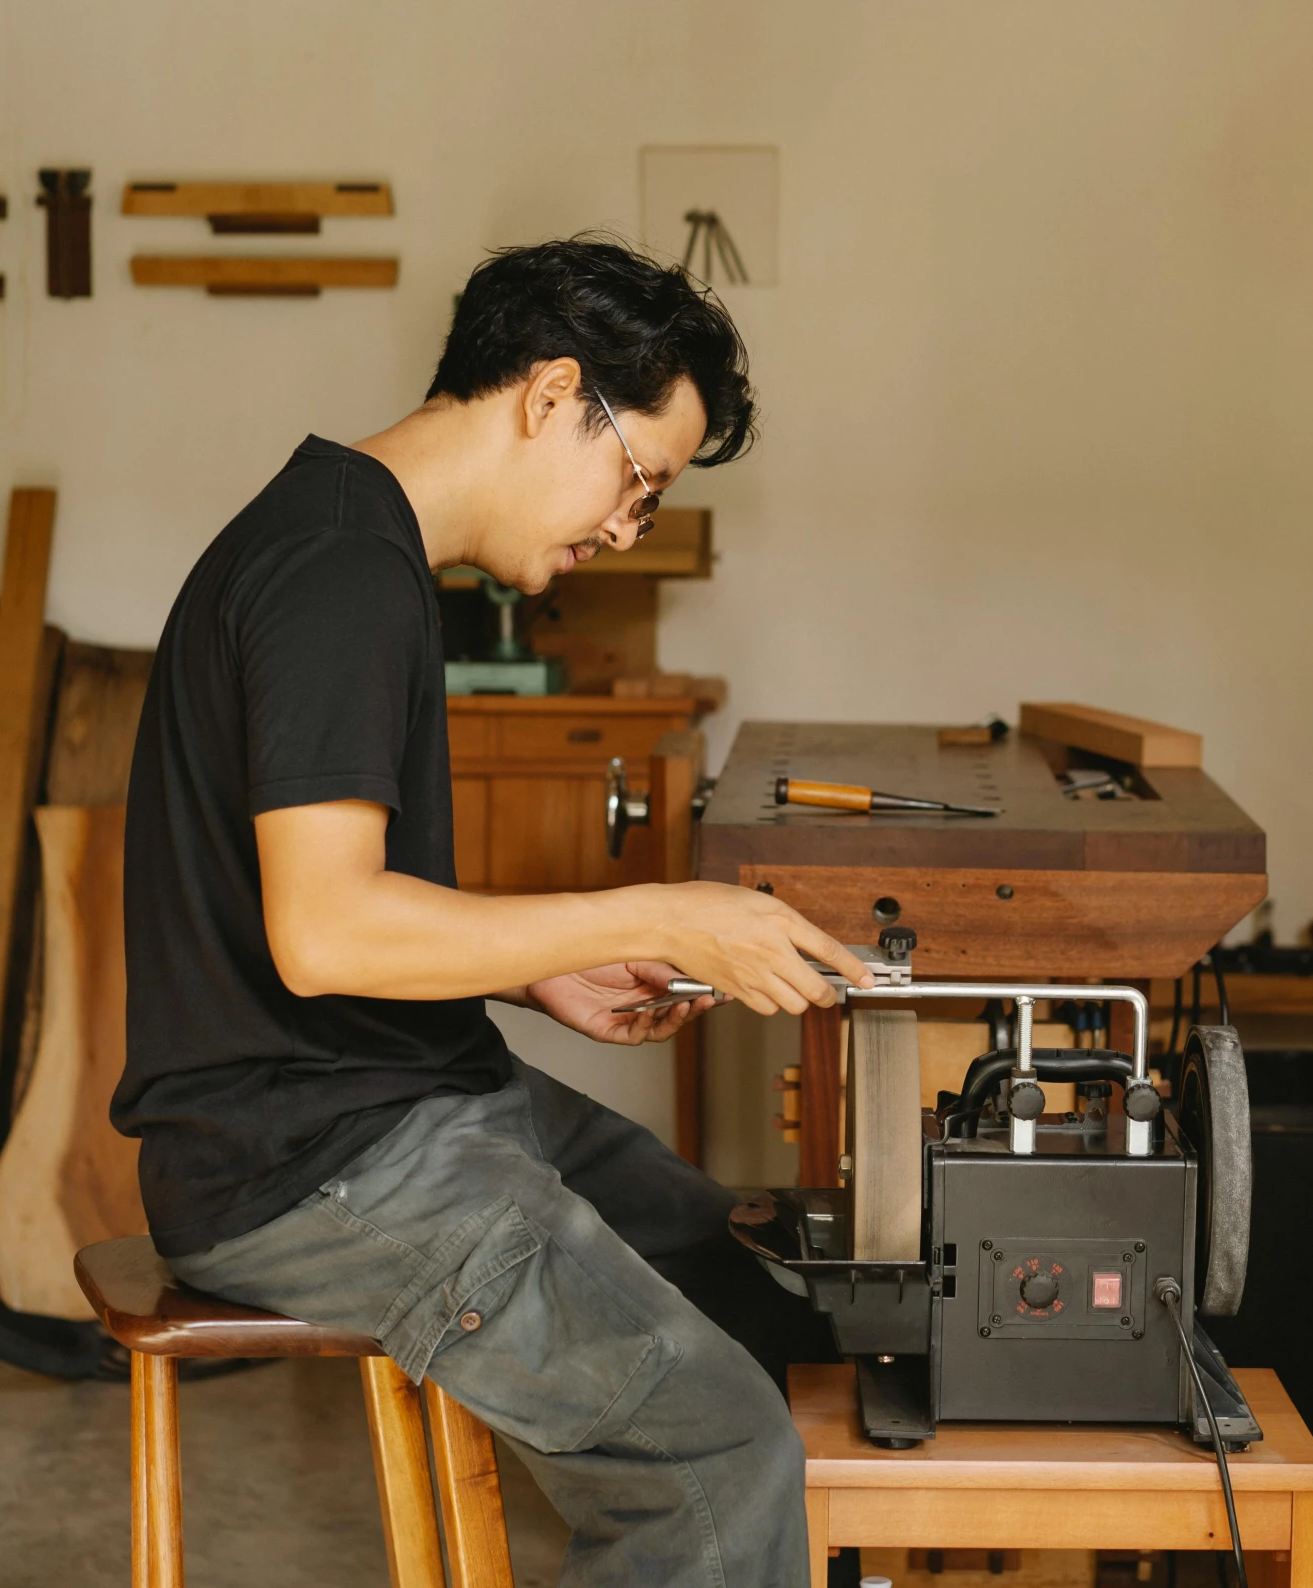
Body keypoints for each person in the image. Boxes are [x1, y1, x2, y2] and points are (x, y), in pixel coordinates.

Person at [114, 237, 868, 1587]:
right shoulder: (337, 572)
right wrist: (654, 911)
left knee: (750, 1276)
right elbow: (326, 932)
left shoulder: (361, 550)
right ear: (547, 391)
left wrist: (537, 978)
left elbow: (318, 903)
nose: (627, 531)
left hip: (399, 1095)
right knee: (718, 1451)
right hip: (307, 1159)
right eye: (638, 481)